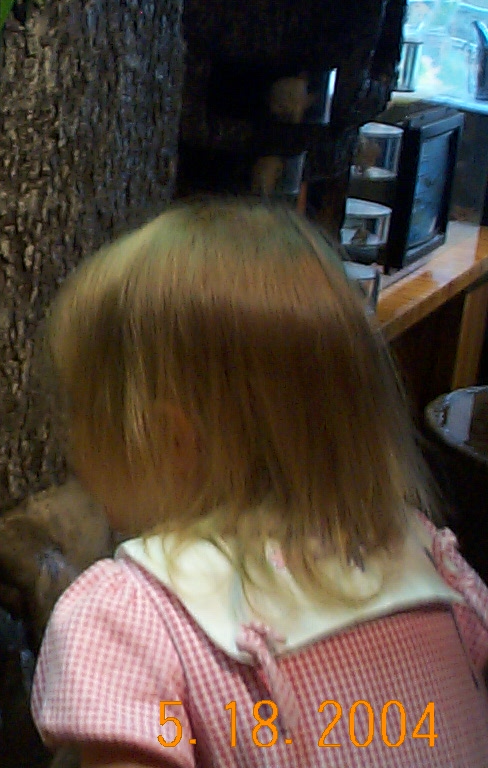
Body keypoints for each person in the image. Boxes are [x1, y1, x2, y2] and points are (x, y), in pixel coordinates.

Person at [30, 201, 488, 767]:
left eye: (77, 412)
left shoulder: (132, 622)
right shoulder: (428, 561)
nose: (69, 442)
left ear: (169, 440)